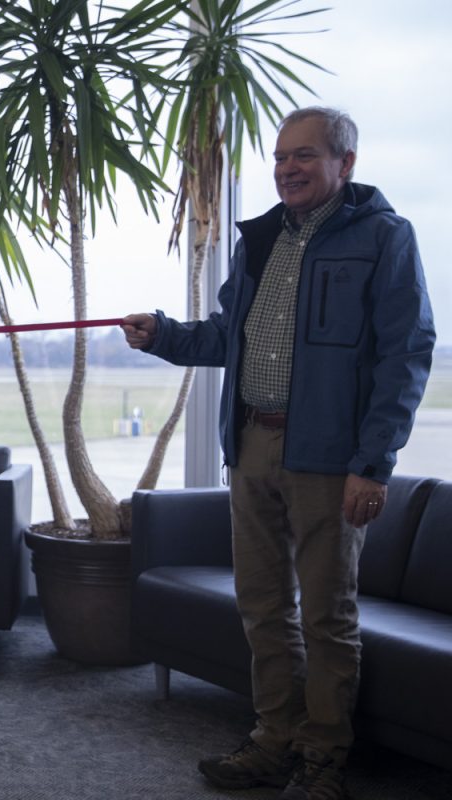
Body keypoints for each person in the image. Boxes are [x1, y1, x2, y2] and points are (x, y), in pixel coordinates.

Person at [123, 107, 435, 799]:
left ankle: (323, 756)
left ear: (344, 164)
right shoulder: (259, 241)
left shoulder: (386, 237)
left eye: (305, 156)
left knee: (327, 614)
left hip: (331, 460)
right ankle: (274, 739)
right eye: (279, 157)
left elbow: (406, 356)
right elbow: (223, 339)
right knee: (262, 606)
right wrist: (163, 335)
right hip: (252, 444)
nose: (287, 169)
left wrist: (372, 463)